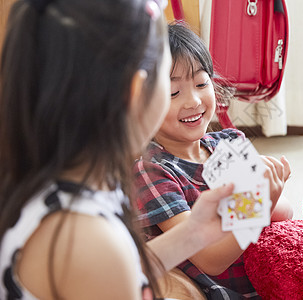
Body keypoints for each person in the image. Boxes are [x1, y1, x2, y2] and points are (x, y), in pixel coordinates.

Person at [0, 0, 237, 299]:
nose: (190, 100)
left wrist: (193, 233)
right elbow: (109, 265)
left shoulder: (47, 179)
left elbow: (121, 267)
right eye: (171, 87)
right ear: (135, 92)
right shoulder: (91, 239)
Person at [133, 23, 293, 299]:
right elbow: (211, 260)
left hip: (272, 277)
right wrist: (257, 203)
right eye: (173, 93)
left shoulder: (228, 143)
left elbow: (284, 214)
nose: (193, 101)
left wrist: (270, 185)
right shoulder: (152, 171)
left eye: (201, 83)